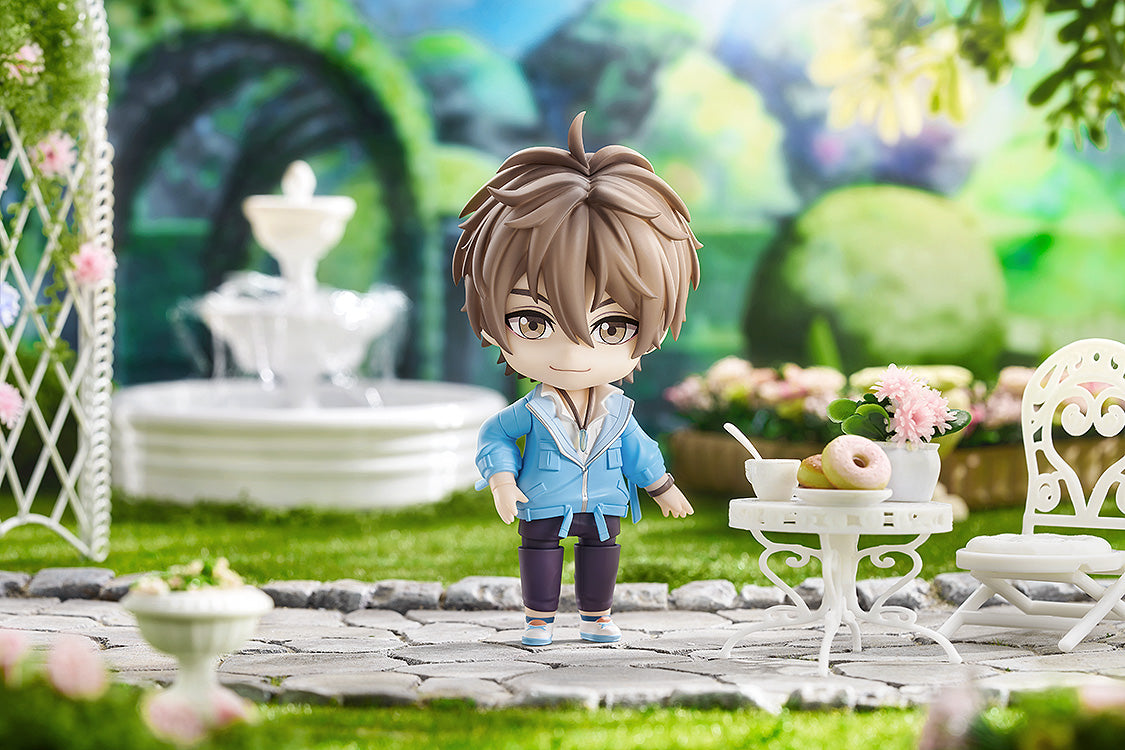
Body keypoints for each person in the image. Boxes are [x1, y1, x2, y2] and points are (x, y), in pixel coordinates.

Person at [452, 112, 701, 646]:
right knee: (539, 555)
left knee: (601, 555)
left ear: (652, 329)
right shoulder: (532, 410)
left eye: (612, 327)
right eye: (532, 322)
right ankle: (538, 618)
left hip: (604, 501)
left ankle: (596, 616)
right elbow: (495, 435)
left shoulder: (620, 412)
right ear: (493, 322)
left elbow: (639, 451)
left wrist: (663, 488)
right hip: (541, 498)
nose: (573, 353)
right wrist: (502, 480)